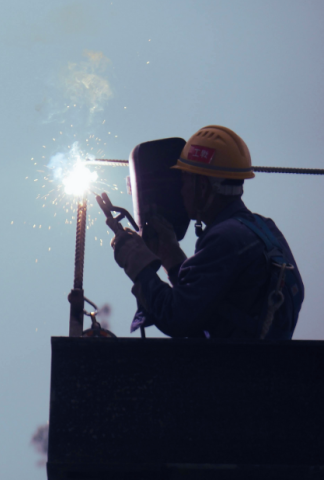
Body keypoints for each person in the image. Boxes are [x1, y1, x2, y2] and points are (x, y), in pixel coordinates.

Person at [111, 125, 304, 339]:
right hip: (264, 357)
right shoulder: (266, 228)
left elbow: (175, 316)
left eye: (184, 180)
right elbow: (209, 299)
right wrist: (170, 254)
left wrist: (138, 264)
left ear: (202, 187)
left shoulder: (225, 239)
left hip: (235, 359)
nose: (181, 190)